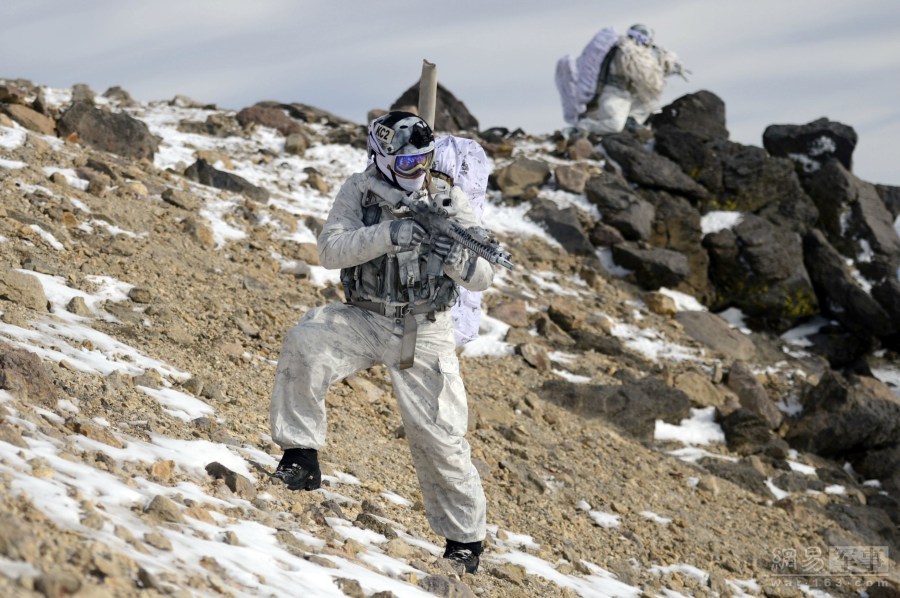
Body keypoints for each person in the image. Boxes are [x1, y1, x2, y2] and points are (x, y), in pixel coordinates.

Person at [269, 111, 493, 574]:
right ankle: (299, 457)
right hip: (366, 317)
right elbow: (330, 250)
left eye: (424, 163)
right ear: (383, 158)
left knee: (442, 438)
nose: (417, 173)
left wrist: (455, 258)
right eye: (407, 164)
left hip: (426, 329)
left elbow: (482, 275)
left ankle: (465, 542)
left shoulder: (445, 194)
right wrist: (388, 234)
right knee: (307, 342)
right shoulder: (360, 191)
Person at [556, 24, 686, 136]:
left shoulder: (644, 55)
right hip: (613, 93)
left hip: (629, 95)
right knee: (615, 126)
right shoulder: (623, 51)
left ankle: (632, 120)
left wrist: (667, 64)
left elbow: (651, 71)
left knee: (649, 101)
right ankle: (583, 127)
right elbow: (641, 71)